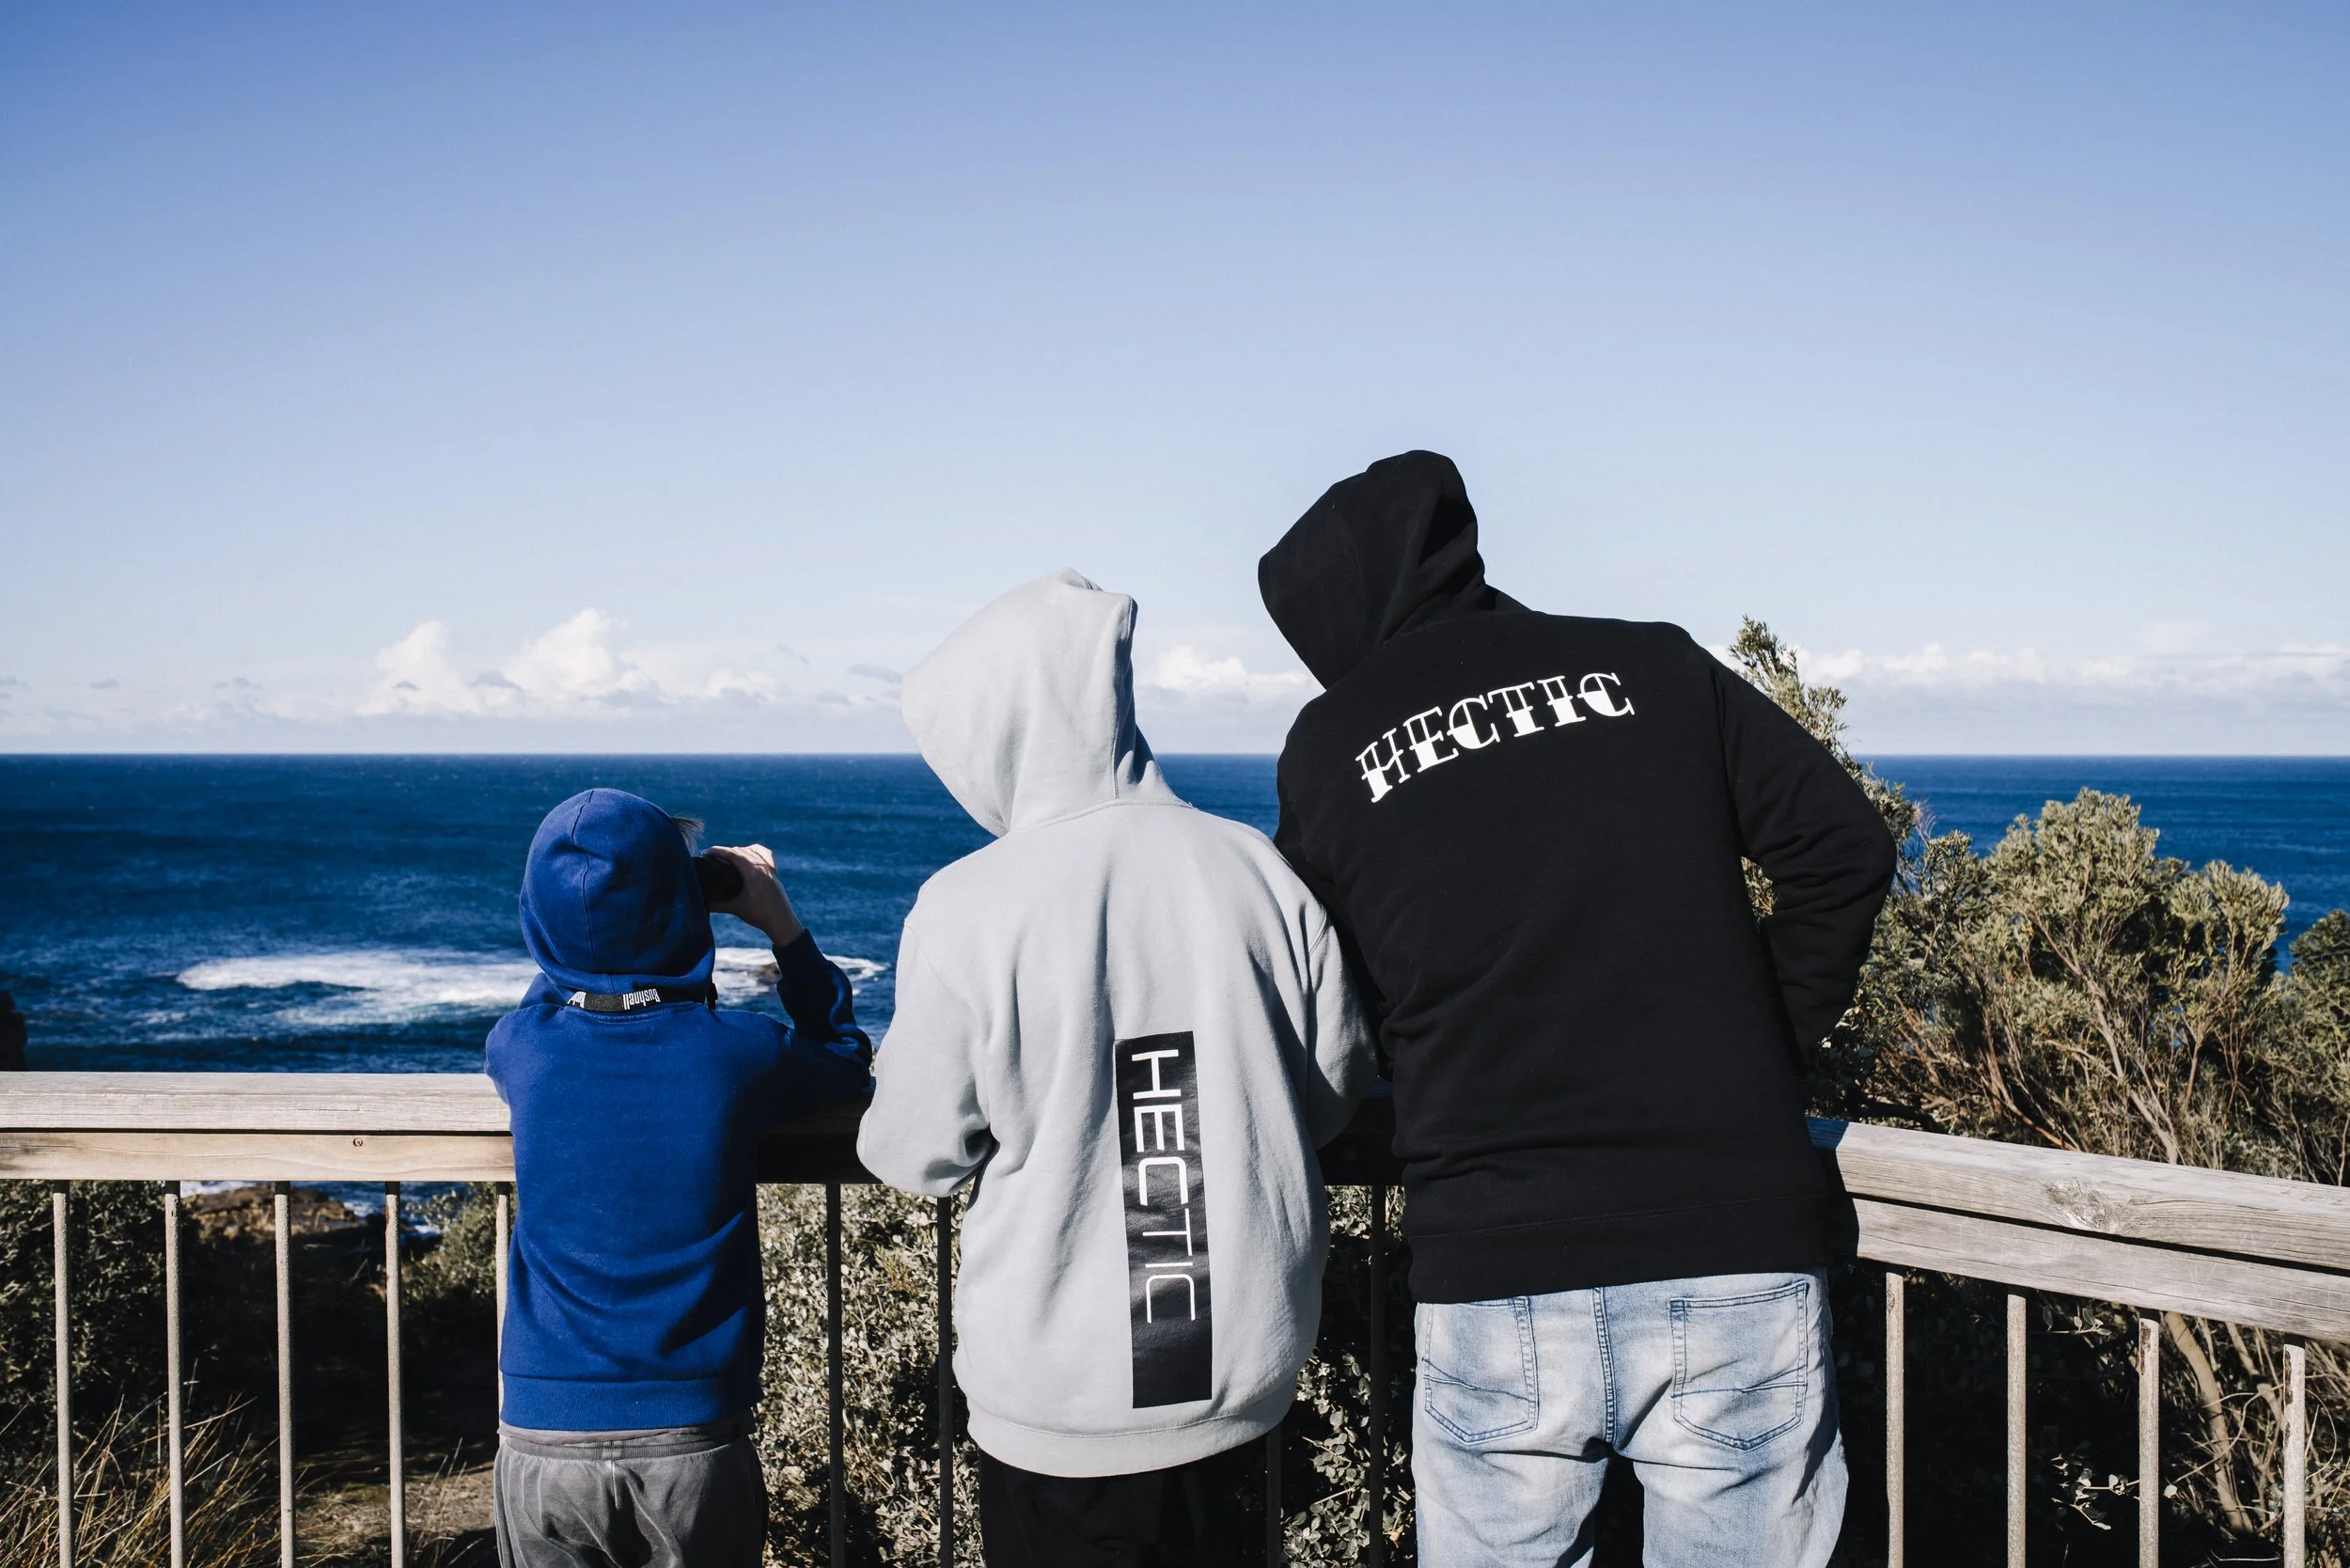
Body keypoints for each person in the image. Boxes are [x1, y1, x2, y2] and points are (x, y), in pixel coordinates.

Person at [1256, 452, 1896, 1567]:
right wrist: (1759, 1048)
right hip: (1728, 1236)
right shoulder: (1649, 665)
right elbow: (1840, 847)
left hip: (1495, 1266)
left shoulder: (1331, 752)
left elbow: (1320, 990)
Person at [857, 569, 1374, 1568]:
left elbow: (911, 1152)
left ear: (994, 729)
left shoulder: (969, 906)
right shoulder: (1256, 872)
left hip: (1063, 1409)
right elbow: (1329, 1093)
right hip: (1241, 1384)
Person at [488, 788, 871, 1568]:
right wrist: (779, 922)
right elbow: (843, 1058)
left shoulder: (522, 1048)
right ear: (681, 908)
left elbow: (569, 978)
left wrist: (602, 928)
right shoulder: (734, 1053)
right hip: (690, 1437)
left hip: (542, 1427)